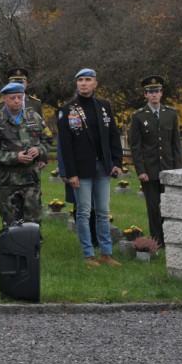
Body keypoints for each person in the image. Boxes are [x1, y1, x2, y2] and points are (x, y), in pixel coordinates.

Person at [57, 69, 123, 267]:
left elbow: (113, 134)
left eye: (88, 80)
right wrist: (70, 173)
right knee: (84, 212)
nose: (84, 83)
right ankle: (88, 255)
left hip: (102, 166)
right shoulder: (67, 110)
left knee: (103, 211)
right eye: (80, 80)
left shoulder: (104, 106)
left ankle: (106, 253)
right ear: (76, 84)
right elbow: (65, 145)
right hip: (81, 169)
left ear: (95, 83)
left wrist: (117, 162)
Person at [0, 83, 49, 227]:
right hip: (7, 181)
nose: (17, 101)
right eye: (13, 98)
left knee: (33, 222)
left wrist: (39, 150)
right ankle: (12, 250)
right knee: (11, 224)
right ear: (4, 98)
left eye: (20, 97)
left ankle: (33, 249)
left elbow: (46, 140)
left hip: (31, 179)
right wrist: (14, 157)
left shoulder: (33, 116)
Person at [129, 75, 181, 248]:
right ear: (145, 95)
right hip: (149, 171)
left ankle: (171, 239)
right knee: (153, 208)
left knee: (169, 206)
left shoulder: (171, 114)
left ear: (161, 93)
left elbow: (175, 145)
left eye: (157, 91)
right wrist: (140, 170)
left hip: (168, 169)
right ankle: (157, 242)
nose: (154, 95)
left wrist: (177, 171)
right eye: (150, 92)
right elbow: (135, 146)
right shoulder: (138, 117)